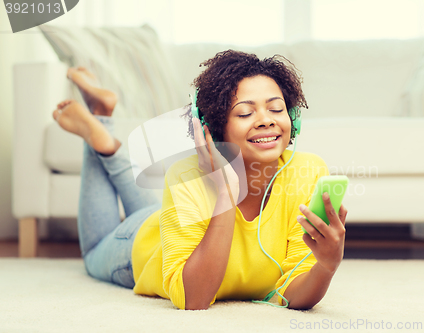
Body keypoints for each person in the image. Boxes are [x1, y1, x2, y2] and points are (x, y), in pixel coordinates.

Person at [53, 50, 347, 311]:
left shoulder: (307, 171)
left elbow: (294, 292)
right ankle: (100, 130)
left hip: (167, 216)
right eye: (245, 112)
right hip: (139, 245)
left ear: (292, 116)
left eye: (276, 108)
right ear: (212, 127)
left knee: (153, 207)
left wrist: (326, 266)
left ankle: (103, 126)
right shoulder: (186, 176)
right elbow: (195, 299)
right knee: (92, 255)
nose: (266, 119)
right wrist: (226, 194)